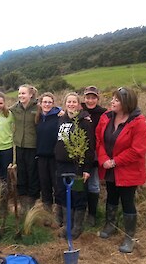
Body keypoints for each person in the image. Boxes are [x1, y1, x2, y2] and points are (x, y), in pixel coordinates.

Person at [96, 87, 146, 253]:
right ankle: (110, 225)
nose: (112, 102)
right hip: (109, 167)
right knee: (111, 196)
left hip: (128, 170)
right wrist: (104, 159)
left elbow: (137, 151)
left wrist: (115, 161)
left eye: (116, 100)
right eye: (112, 98)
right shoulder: (106, 117)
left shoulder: (138, 123)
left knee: (127, 201)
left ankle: (129, 237)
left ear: (126, 103)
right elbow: (99, 139)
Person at [55, 92, 95, 239]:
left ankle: (77, 226)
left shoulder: (85, 122)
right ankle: (67, 225)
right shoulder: (61, 119)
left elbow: (90, 147)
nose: (71, 104)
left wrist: (86, 169)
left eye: (74, 102)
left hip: (77, 166)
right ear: (65, 103)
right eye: (68, 102)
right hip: (61, 165)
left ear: (78, 104)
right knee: (63, 193)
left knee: (78, 194)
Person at [10, 84, 39, 213]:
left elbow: (51, 109)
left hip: (32, 145)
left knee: (32, 171)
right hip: (19, 144)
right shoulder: (15, 108)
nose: (21, 96)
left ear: (30, 94)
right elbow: (2, 110)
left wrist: (60, 111)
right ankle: (22, 197)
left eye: (23, 93)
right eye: (19, 93)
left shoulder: (38, 107)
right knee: (21, 171)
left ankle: (32, 198)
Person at [81, 86, 107, 227]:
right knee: (80, 183)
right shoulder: (79, 110)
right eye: (88, 97)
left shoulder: (103, 113)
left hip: (95, 153)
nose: (90, 100)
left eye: (93, 97)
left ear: (97, 98)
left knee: (94, 184)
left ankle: (92, 214)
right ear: (84, 98)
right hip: (79, 152)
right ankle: (80, 212)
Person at [35, 92, 62, 225]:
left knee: (57, 186)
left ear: (53, 104)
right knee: (45, 186)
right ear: (40, 103)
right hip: (41, 157)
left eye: (49, 102)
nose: (47, 104)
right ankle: (47, 215)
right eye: (44, 102)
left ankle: (58, 216)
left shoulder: (59, 116)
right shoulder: (37, 117)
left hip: (55, 158)